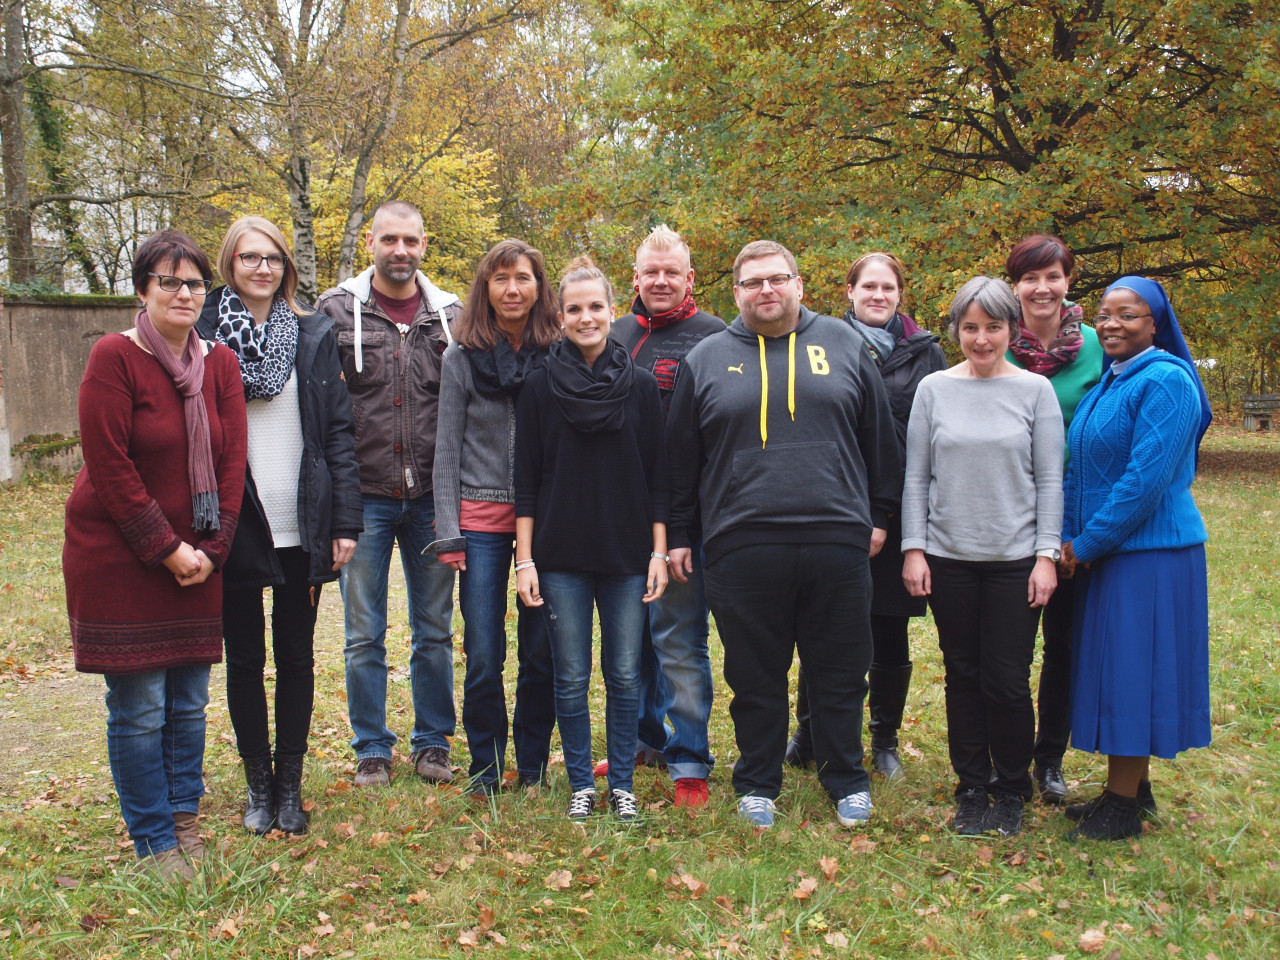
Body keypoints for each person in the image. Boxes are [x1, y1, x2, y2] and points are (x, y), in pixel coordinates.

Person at [666, 240, 900, 830]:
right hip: (741, 543)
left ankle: (847, 778)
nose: (765, 291)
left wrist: (879, 516)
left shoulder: (848, 346)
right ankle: (757, 782)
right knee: (754, 674)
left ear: (799, 284)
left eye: (776, 279)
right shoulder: (708, 358)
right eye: (752, 283)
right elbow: (679, 461)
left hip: (838, 539)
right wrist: (682, 535)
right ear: (735, 292)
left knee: (842, 670)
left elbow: (881, 440)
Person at [63, 230, 247, 879]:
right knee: (139, 705)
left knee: (189, 702)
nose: (183, 292)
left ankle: (183, 822)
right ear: (143, 289)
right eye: (168, 281)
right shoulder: (115, 357)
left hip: (199, 559)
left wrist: (214, 547)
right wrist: (167, 549)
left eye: (194, 282)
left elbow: (231, 462)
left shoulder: (219, 364)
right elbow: (109, 467)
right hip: (122, 558)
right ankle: (152, 841)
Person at [197, 216, 363, 834]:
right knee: (243, 658)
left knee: (296, 656)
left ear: (285, 267)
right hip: (238, 519)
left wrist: (345, 520)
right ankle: (257, 788)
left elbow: (339, 434)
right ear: (230, 264)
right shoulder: (205, 333)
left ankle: (290, 786)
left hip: (302, 518)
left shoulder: (315, 334)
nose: (261, 268)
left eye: (272, 258)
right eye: (249, 258)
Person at [901, 276, 1063, 838]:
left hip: (1015, 560)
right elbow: (917, 476)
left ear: (1011, 330)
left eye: (993, 327)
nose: (981, 338)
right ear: (956, 331)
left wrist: (1046, 555)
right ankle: (971, 787)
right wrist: (914, 549)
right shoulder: (934, 390)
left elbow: (1050, 480)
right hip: (948, 558)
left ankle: (1012, 786)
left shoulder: (1034, 392)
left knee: (1007, 679)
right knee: (963, 675)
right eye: (970, 327)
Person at [514, 257, 669, 822]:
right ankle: (582, 780)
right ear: (560, 317)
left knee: (625, 672)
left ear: (612, 311)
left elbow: (659, 479)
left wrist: (657, 552)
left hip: (628, 554)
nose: (586, 318)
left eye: (595, 307)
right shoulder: (538, 388)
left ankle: (621, 782)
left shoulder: (643, 388)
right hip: (559, 555)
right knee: (571, 674)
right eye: (574, 309)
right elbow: (525, 481)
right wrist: (524, 562)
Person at [1059, 276, 1212, 841]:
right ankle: (1129, 788)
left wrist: (1084, 545)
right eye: (1105, 313)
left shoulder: (1167, 380)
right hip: (1115, 554)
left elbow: (1142, 484)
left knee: (1133, 672)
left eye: (1129, 314)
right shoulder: (1112, 382)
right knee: (1121, 669)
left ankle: (1122, 807)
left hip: (1151, 555)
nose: (1113, 323)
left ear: (1155, 324)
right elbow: (1084, 472)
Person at [315, 201, 461, 787]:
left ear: (425, 243)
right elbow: (320, 406)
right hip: (365, 498)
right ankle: (371, 747)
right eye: (389, 240)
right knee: (362, 632)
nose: (400, 250)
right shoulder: (335, 310)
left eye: (411, 241)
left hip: (431, 497)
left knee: (434, 628)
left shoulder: (451, 315)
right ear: (370, 242)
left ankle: (432, 745)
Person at [785, 252, 946, 779]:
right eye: (868, 286)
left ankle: (884, 739)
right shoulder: (822, 344)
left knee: (889, 625)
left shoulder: (926, 354)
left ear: (901, 295)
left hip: (897, 510)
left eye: (888, 287)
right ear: (849, 291)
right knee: (820, 624)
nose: (878, 295)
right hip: (832, 506)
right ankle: (809, 732)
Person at [428, 239, 561, 797]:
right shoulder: (460, 357)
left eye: (523, 278)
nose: (512, 289)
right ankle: (486, 766)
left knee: (542, 648)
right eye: (501, 278)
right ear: (486, 288)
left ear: (539, 287)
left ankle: (530, 764)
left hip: (547, 521)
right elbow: (446, 449)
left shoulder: (558, 354)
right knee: (483, 650)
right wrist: (446, 531)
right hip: (478, 521)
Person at [608, 224, 725, 808]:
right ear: (635, 278)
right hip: (622, 515)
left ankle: (690, 758)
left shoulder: (717, 340)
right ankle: (641, 741)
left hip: (686, 519)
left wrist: (684, 527)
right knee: (633, 645)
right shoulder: (614, 334)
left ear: (689, 278)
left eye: (670, 272)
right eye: (650, 272)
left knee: (679, 641)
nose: (659, 281)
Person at [1004, 234, 1104, 804]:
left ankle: (1050, 759)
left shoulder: (1099, 347)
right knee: (1010, 646)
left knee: (1062, 644)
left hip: (1076, 512)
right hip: (1011, 510)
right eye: (1030, 278)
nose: (1042, 288)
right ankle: (1008, 753)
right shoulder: (995, 342)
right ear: (1015, 284)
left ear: (1069, 281)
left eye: (1053, 277)